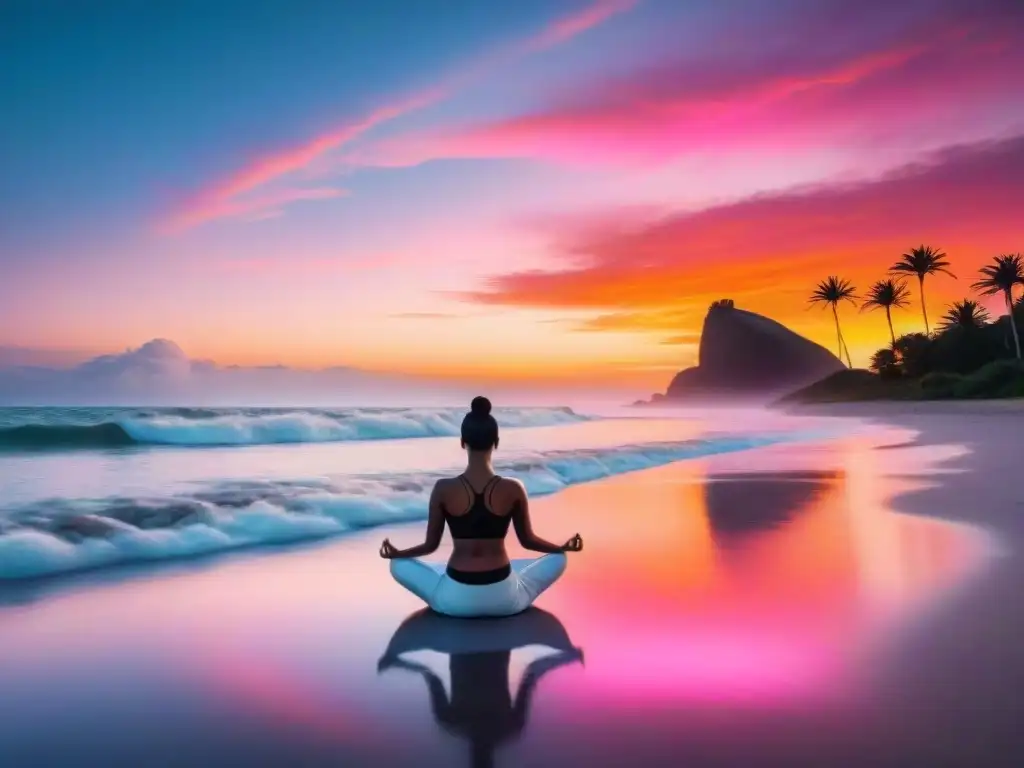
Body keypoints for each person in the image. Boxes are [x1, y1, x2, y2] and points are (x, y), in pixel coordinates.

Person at [380, 395, 583, 617]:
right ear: (496, 442)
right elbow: (528, 541)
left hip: (454, 599)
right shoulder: (513, 488)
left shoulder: (443, 488)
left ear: (462, 442)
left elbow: (430, 546)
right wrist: (562, 547)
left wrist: (399, 553)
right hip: (503, 597)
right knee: (559, 558)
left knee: (397, 565)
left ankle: (442, 587)